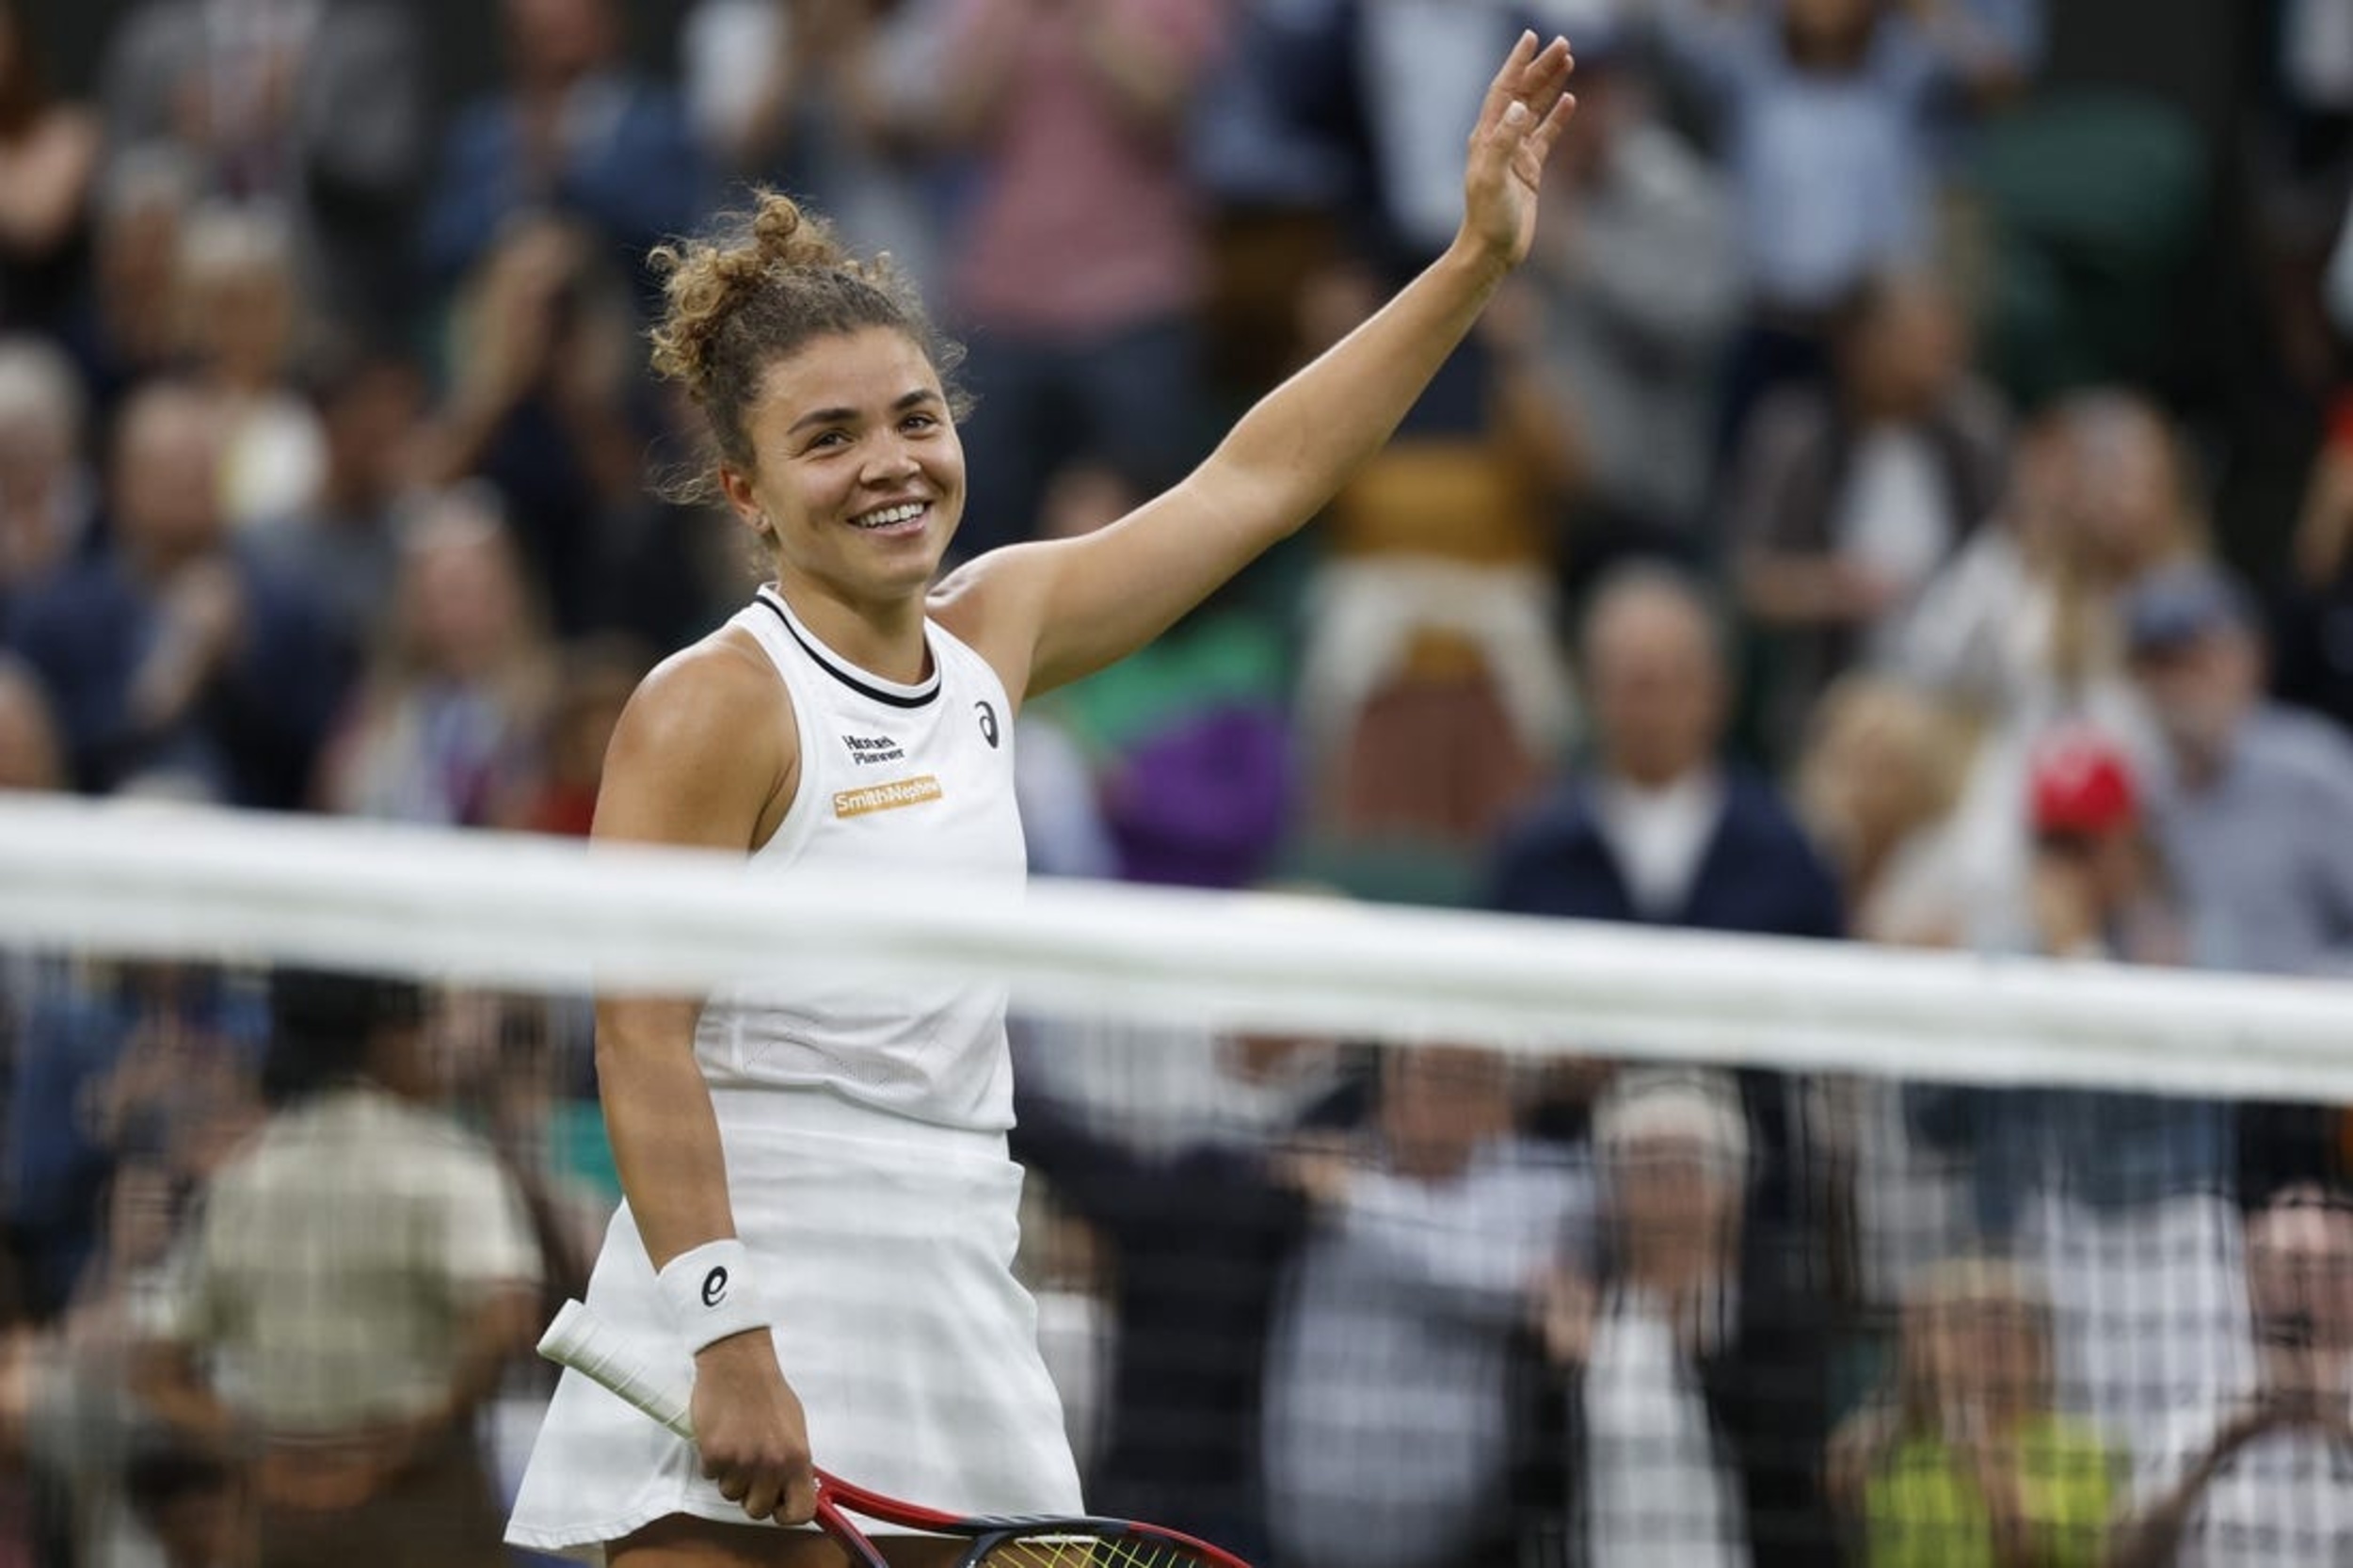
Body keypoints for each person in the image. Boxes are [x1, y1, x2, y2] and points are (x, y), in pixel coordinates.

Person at [506, 32, 1579, 1564]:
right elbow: (640, 1038)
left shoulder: (993, 633)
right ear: (744, 489)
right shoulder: (710, 705)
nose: (889, 466)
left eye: (912, 420)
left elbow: (1255, 483)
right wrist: (726, 1336)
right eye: (827, 438)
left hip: (953, 1271)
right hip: (748, 1271)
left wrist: (1473, 259)